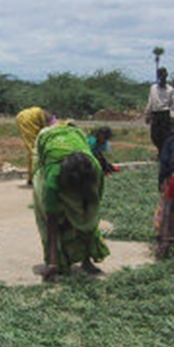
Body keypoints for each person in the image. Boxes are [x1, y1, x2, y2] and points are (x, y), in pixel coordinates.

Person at [33, 122, 110, 281]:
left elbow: (93, 209)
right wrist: (52, 263)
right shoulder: (52, 180)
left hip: (86, 182)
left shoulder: (95, 170)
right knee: (62, 222)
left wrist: (85, 215)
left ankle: (86, 260)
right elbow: (52, 223)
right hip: (54, 173)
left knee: (86, 219)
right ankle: (59, 262)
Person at [15, 106, 57, 185]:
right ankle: (34, 177)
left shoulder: (47, 119)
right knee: (34, 151)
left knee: (36, 149)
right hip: (26, 120)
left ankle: (34, 176)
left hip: (27, 118)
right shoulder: (49, 121)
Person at [145, 67, 174, 159]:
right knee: (154, 136)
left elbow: (173, 104)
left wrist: (172, 117)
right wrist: (148, 114)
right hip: (155, 114)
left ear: (166, 76)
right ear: (158, 77)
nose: (162, 78)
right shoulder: (153, 88)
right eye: (160, 76)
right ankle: (160, 151)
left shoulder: (170, 90)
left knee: (165, 136)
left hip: (165, 114)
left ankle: (162, 155)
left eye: (164, 76)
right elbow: (150, 101)